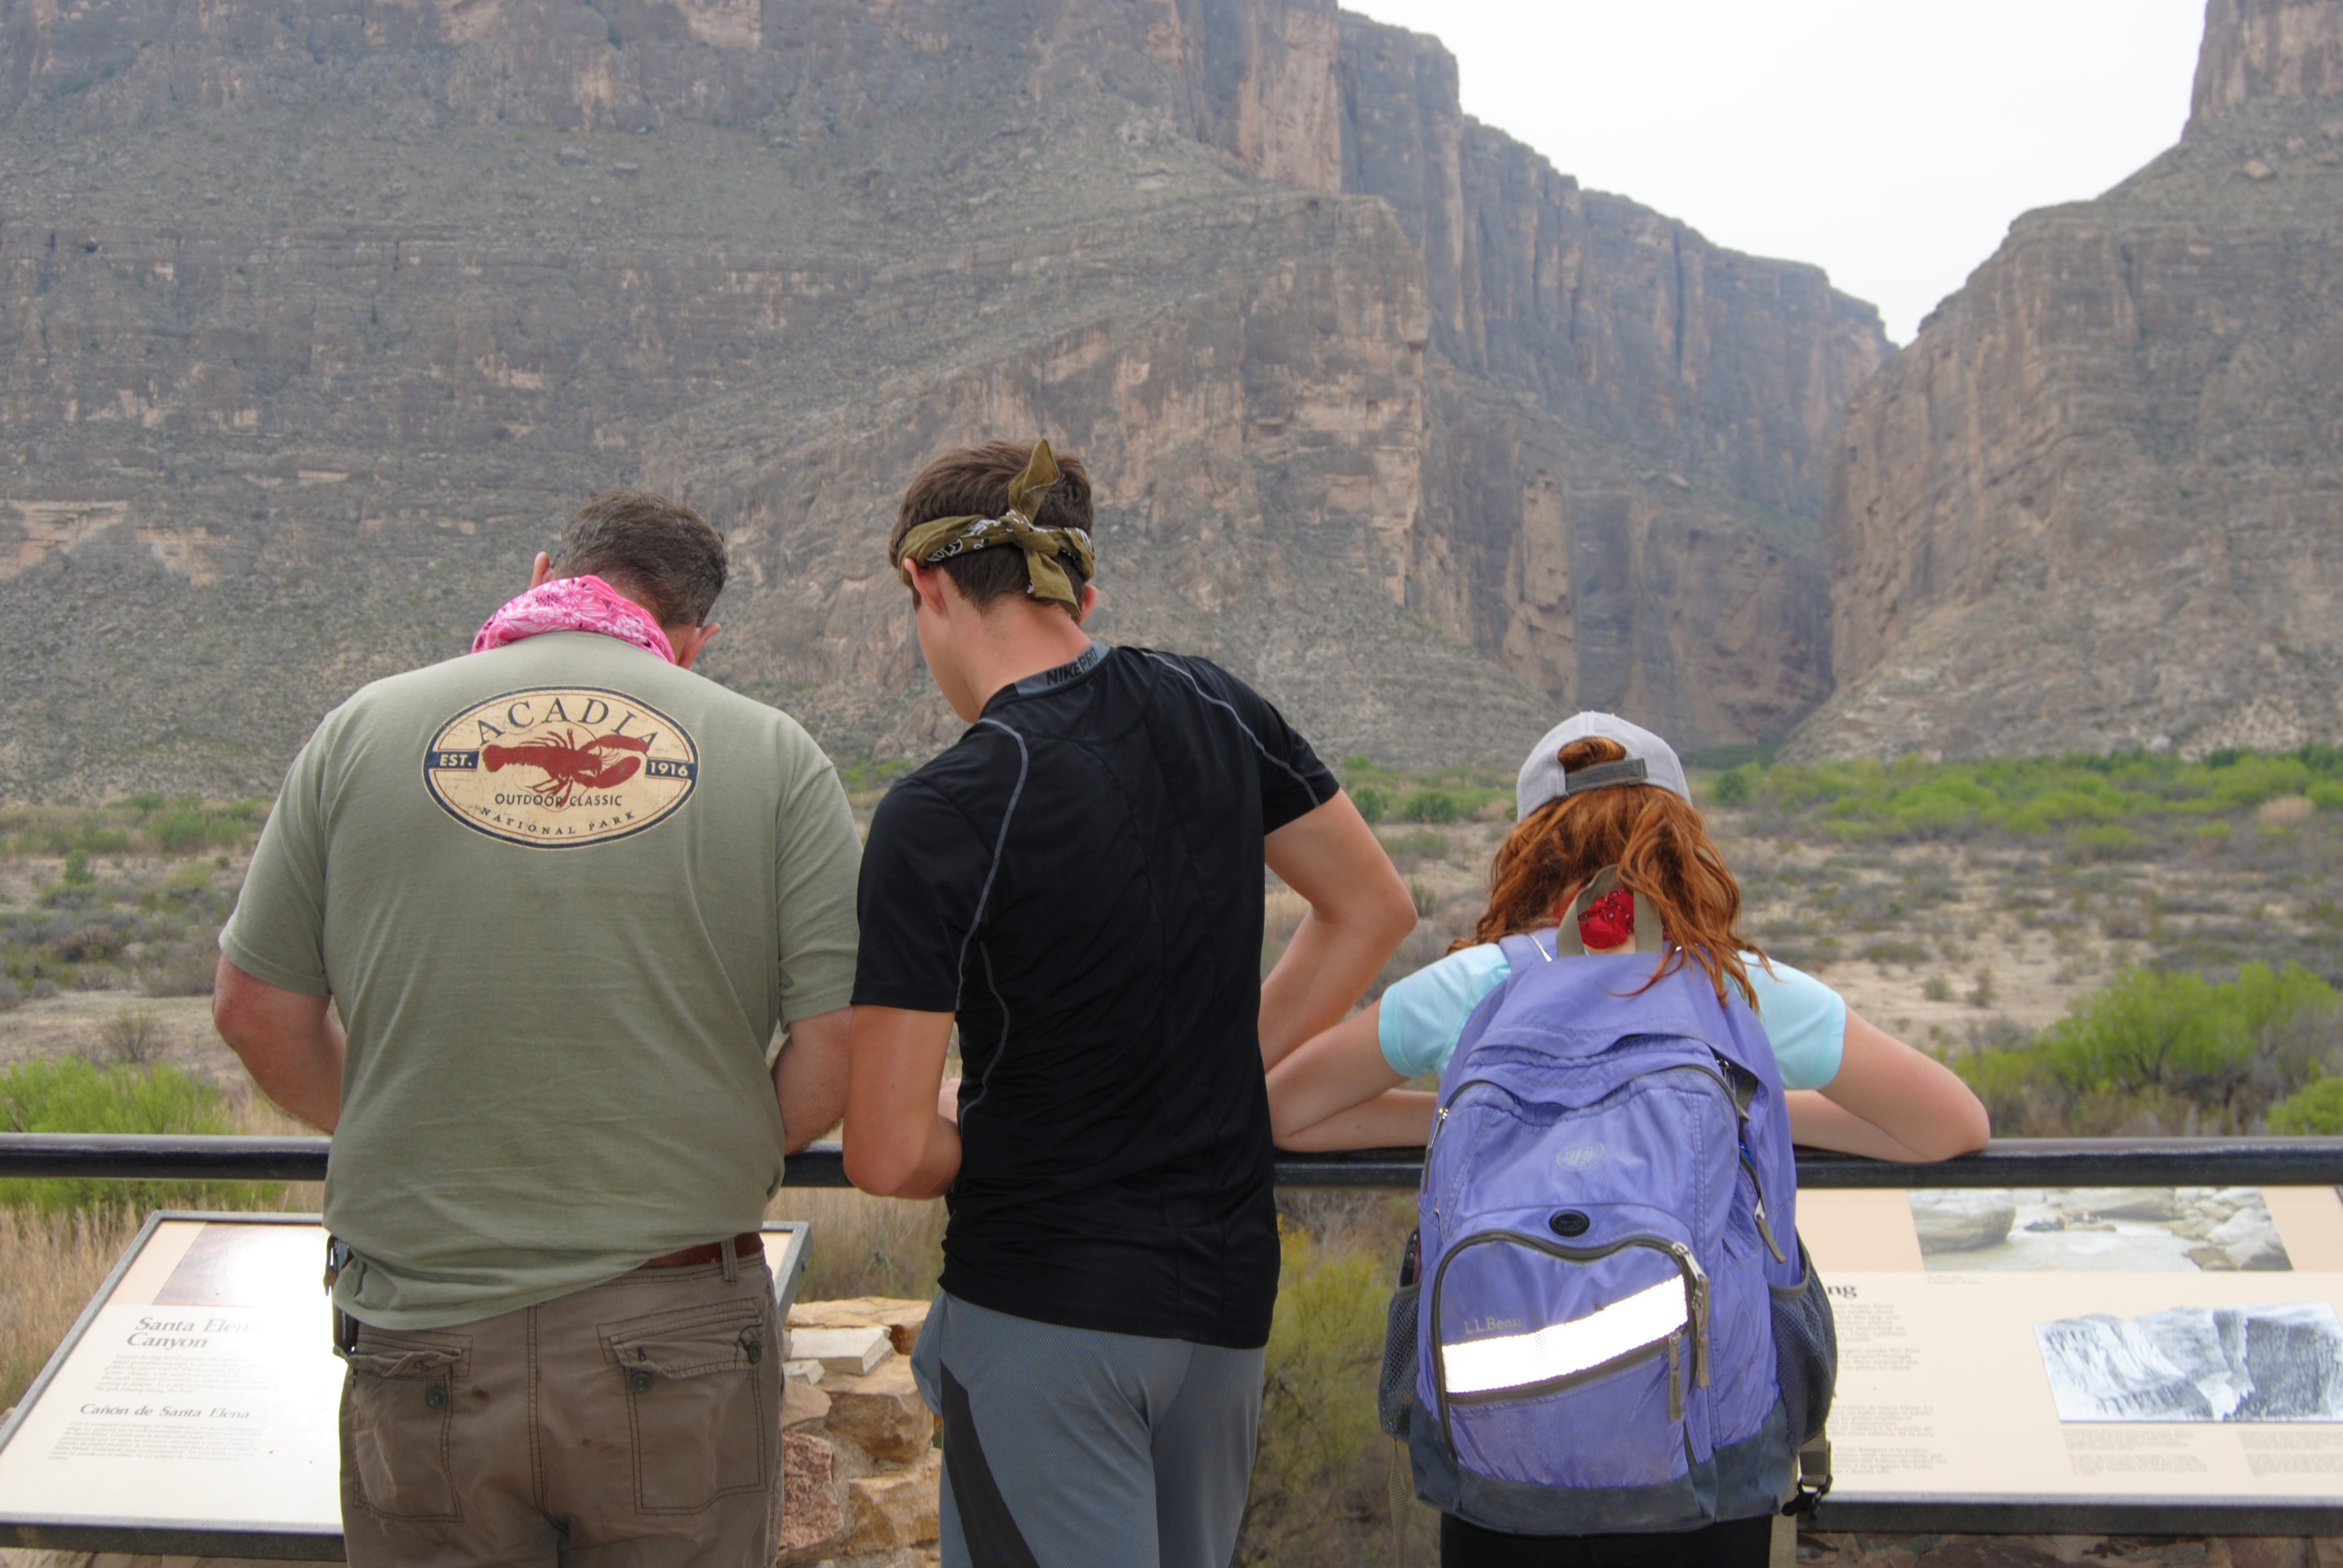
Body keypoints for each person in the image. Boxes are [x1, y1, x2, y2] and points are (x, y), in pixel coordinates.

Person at [212, 492, 863, 1568]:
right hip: (677, 1324)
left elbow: (253, 1011)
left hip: (423, 1326)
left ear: (544, 572)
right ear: (696, 638)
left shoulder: (361, 730)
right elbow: (838, 1043)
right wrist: (721, 1144)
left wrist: (407, 1121)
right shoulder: (774, 754)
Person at [842, 438, 1417, 1568]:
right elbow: (1372, 908)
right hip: (1224, 1306)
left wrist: (998, 1121)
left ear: (927, 584)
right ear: (1081, 591)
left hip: (1047, 1308)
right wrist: (1211, 1065)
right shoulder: (1218, 704)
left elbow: (886, 1152)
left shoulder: (948, 805)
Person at [1266, 713, 1989, 1568]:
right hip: (1706, 1464)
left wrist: (1489, 1113)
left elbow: (1288, 1111)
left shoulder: (1477, 985)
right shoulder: (1733, 987)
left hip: (1502, 1459)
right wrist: (1742, 1112)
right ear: (1679, 841)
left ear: (1530, 848)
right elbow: (1951, 1124)